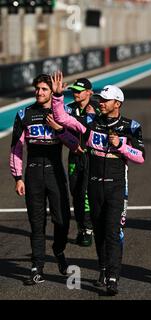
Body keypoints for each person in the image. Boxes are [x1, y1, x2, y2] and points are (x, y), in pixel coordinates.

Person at [51, 71, 145, 296]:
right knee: (100, 233)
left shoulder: (131, 126)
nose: (100, 104)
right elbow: (63, 119)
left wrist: (120, 147)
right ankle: (103, 268)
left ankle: (113, 277)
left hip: (116, 185)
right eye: (100, 100)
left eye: (105, 101)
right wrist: (57, 97)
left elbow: (140, 157)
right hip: (94, 185)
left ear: (117, 103)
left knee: (113, 232)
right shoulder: (90, 121)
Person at [10, 74, 80, 285]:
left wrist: (59, 129)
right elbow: (16, 148)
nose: (39, 93)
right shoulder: (24, 114)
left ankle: (58, 251)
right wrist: (17, 177)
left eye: (44, 89)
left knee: (62, 221)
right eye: (37, 89)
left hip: (55, 172)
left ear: (52, 92)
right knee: (36, 223)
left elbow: (75, 144)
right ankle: (37, 266)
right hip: (32, 175)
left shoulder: (63, 112)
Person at [66, 78, 100, 247]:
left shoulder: (99, 108)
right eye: (74, 90)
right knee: (76, 192)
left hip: (92, 156)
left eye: (79, 90)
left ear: (89, 92)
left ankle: (88, 229)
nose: (76, 93)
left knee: (86, 193)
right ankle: (82, 226)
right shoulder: (68, 108)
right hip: (74, 156)